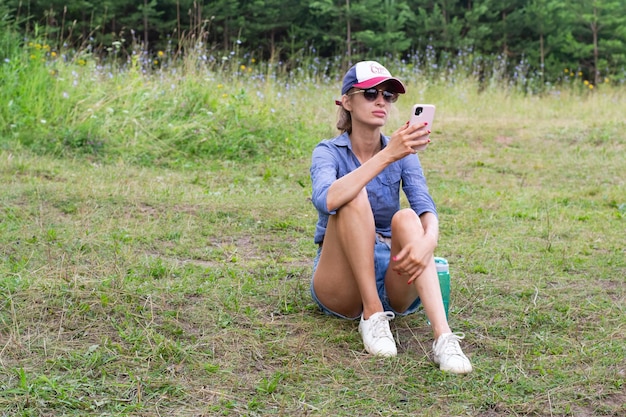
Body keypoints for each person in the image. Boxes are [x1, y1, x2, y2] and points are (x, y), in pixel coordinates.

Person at [309, 61, 473, 374]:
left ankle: (444, 338)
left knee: (409, 217)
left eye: (388, 95)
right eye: (370, 93)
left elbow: (424, 205)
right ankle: (371, 315)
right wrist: (389, 155)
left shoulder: (402, 151)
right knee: (351, 197)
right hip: (341, 277)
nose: (381, 100)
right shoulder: (327, 151)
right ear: (346, 101)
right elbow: (325, 199)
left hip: (392, 274)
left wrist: (429, 242)